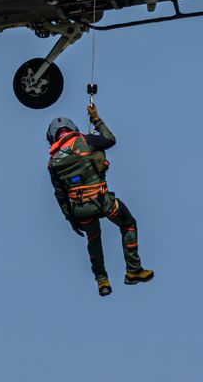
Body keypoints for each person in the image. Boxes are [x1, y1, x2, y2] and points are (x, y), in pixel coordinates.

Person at [47, 103, 153, 297]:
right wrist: (96, 119)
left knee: (93, 238)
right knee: (128, 224)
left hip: (80, 209)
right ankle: (133, 270)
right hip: (101, 200)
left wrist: (71, 220)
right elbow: (110, 139)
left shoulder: (52, 163)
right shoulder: (85, 140)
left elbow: (60, 195)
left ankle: (102, 281)